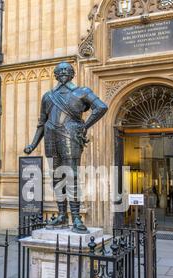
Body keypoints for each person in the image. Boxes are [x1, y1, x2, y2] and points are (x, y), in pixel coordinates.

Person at [24, 62, 108, 234]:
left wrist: (85, 126)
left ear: (72, 74)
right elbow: (41, 122)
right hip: (50, 136)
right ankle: (62, 215)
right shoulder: (48, 96)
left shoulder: (82, 91)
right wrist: (33, 144)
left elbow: (101, 107)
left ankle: (76, 217)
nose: (63, 73)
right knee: (56, 177)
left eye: (66, 70)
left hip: (70, 135)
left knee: (72, 176)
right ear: (55, 75)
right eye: (60, 71)